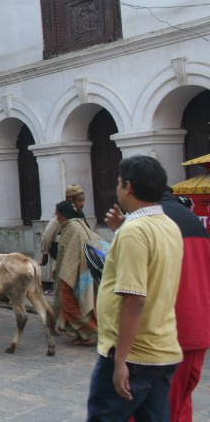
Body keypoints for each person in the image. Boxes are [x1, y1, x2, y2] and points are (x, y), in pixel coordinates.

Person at [87, 155, 183, 421]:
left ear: (127, 186)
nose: (118, 187)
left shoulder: (136, 231)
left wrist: (120, 361)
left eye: (119, 182)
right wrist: (121, 229)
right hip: (161, 348)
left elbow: (135, 299)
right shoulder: (167, 226)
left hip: (134, 354)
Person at [106, 188, 210, 422]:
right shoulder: (193, 220)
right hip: (197, 331)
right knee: (180, 405)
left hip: (158, 337)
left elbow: (134, 295)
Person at [53, 200, 102, 347]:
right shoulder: (75, 224)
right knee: (80, 304)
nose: (56, 216)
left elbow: (71, 252)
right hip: (82, 270)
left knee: (70, 305)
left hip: (77, 272)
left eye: (57, 214)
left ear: (62, 214)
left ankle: (96, 331)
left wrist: (63, 270)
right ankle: (84, 335)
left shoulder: (72, 227)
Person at [40, 184, 86, 319]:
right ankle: (52, 322)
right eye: (80, 201)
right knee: (60, 294)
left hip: (78, 261)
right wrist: (44, 256)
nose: (83, 204)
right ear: (70, 201)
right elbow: (47, 236)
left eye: (83, 200)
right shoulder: (59, 218)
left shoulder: (79, 216)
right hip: (62, 261)